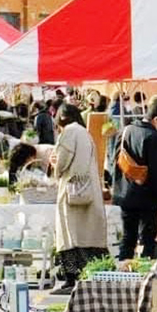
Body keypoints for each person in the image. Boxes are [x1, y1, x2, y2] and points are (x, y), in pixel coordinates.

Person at [112, 97, 157, 260]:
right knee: (148, 240)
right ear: (156, 119)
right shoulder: (153, 137)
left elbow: (116, 161)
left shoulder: (126, 130)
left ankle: (123, 273)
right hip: (148, 198)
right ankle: (145, 275)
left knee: (128, 238)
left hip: (126, 194)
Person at [52, 104, 108, 292]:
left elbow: (61, 161)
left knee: (69, 235)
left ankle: (70, 279)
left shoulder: (69, 132)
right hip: (89, 190)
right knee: (90, 236)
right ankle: (93, 276)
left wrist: (54, 169)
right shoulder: (85, 132)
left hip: (71, 190)